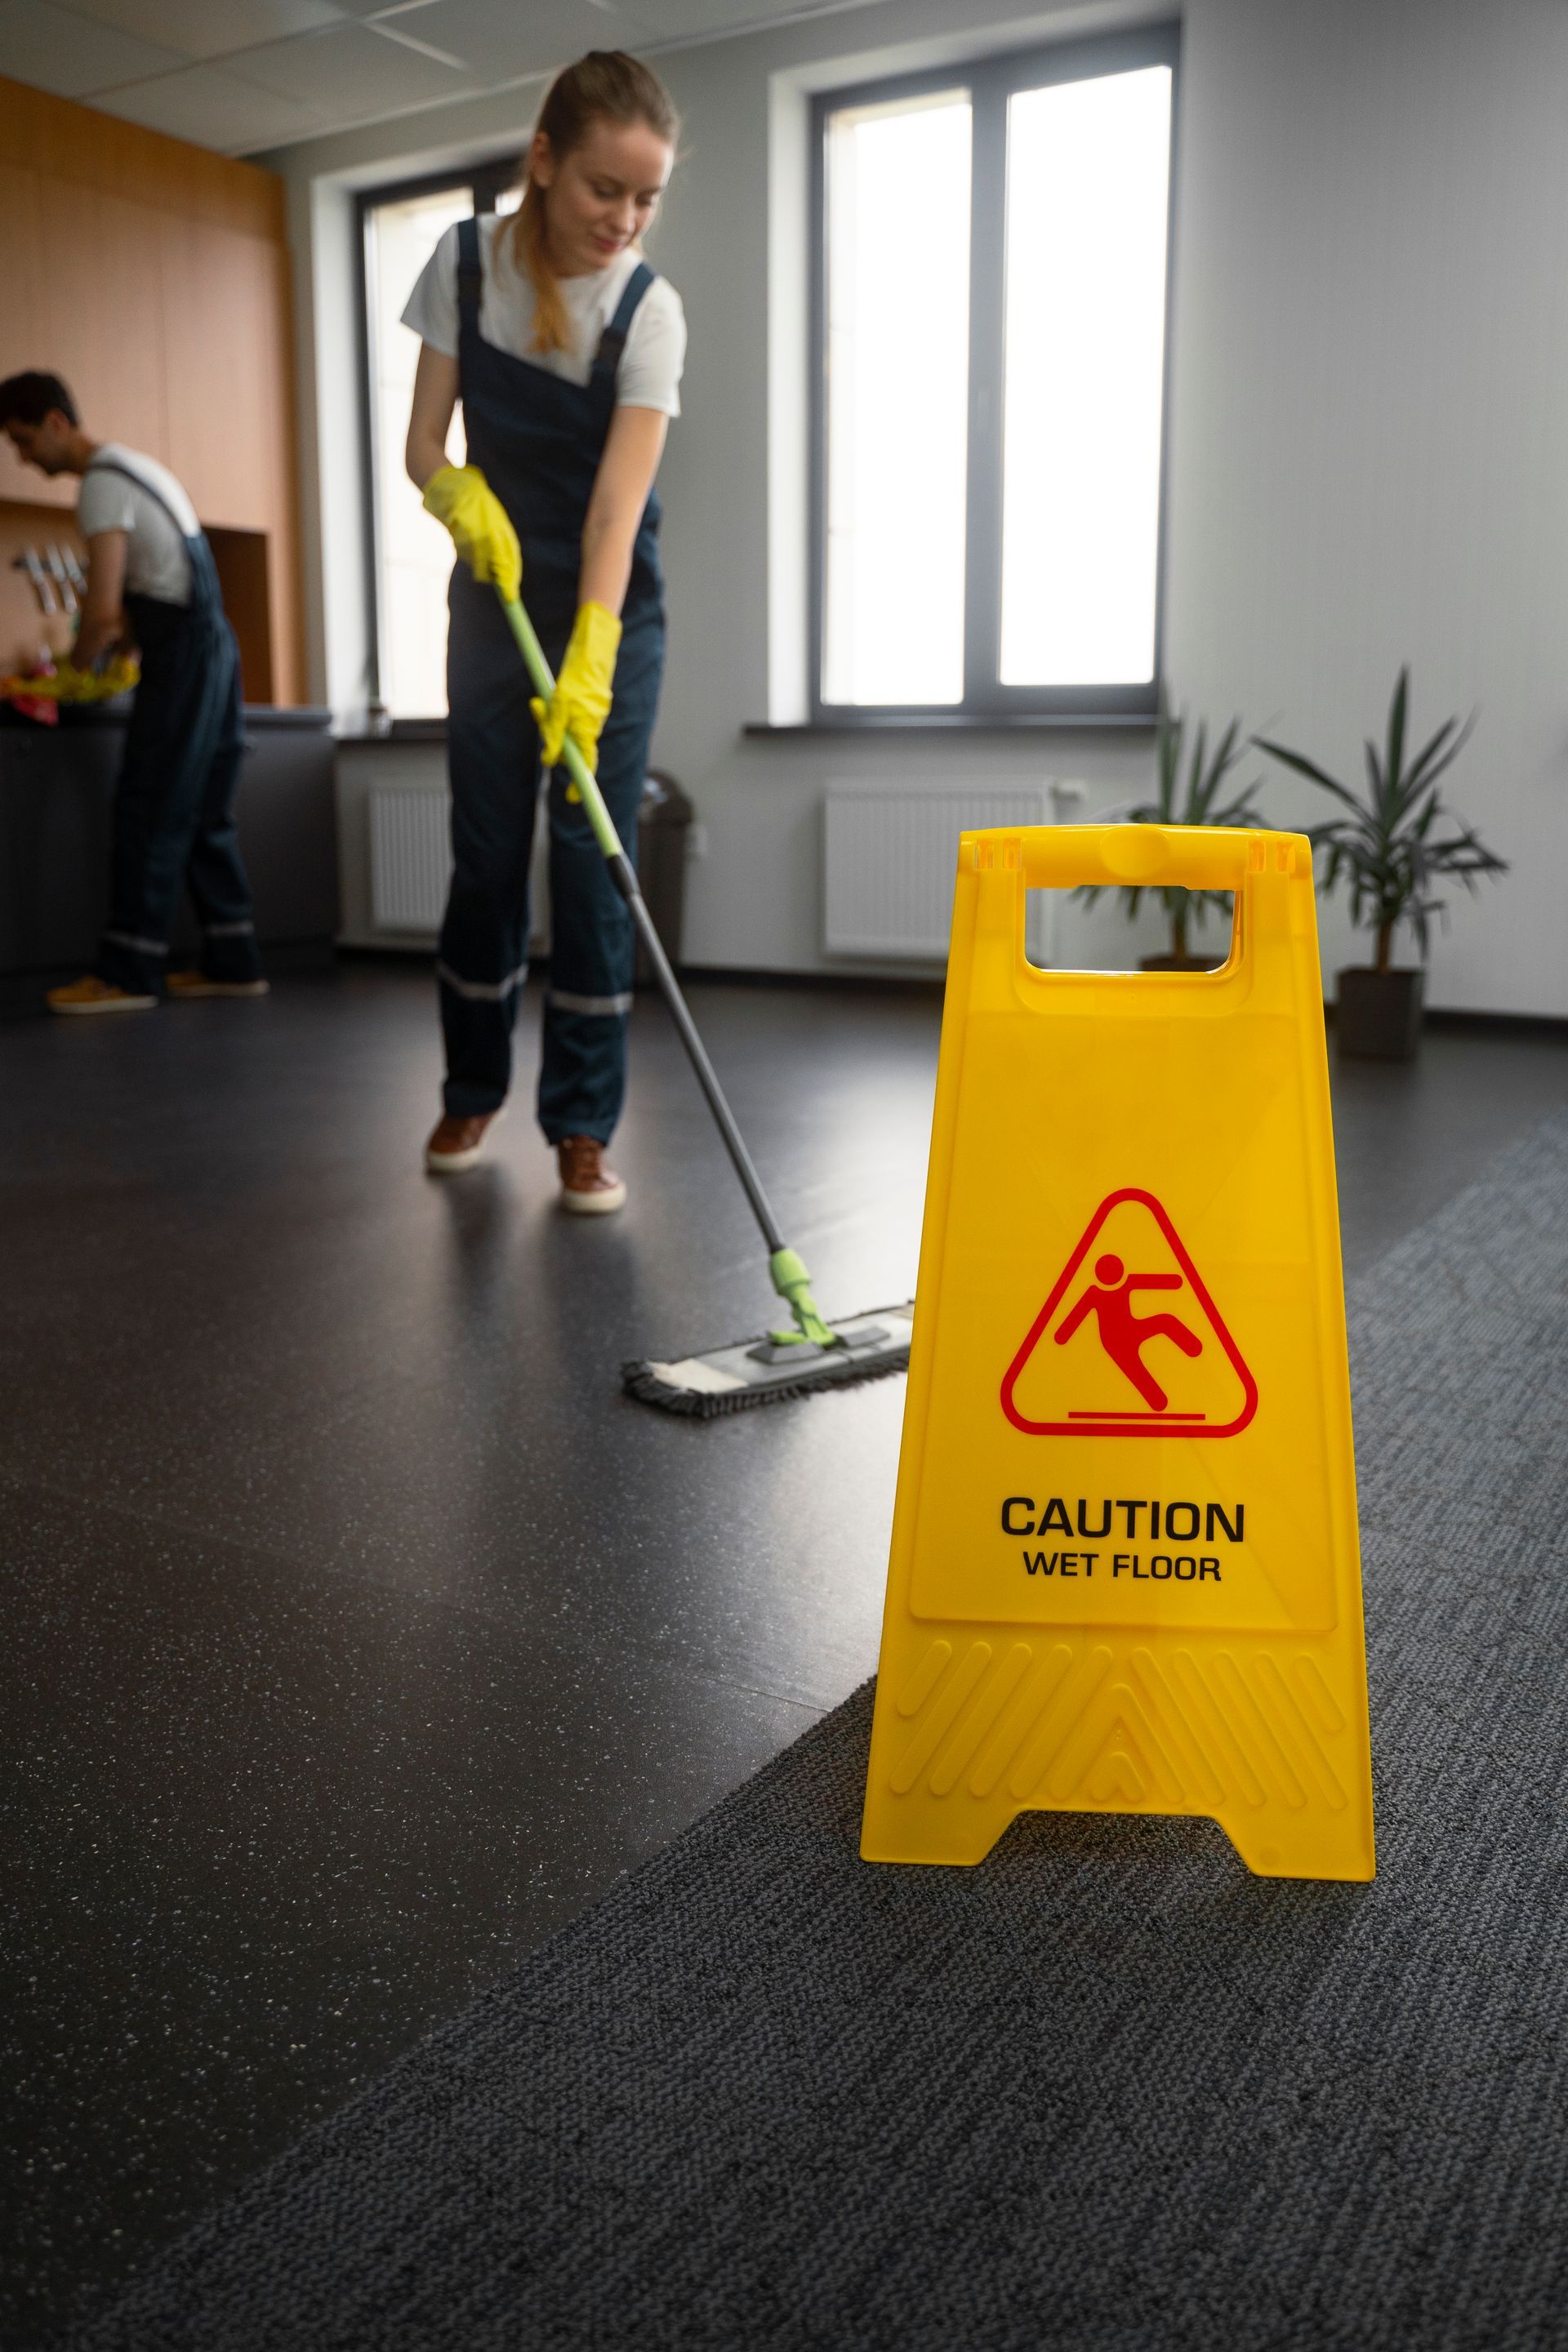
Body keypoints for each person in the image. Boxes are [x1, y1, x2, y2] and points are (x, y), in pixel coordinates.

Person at [403, 50, 685, 1210]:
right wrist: (454, 495)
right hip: (492, 597)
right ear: (543, 160)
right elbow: (424, 443)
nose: (623, 219)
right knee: (483, 850)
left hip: (609, 608)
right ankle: (473, 1084)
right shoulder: (463, 266)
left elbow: (617, 507)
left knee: (588, 856)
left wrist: (594, 655)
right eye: (601, 189)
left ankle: (580, 1123)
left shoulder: (650, 312)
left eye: (645, 197)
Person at [0, 372, 266, 1014]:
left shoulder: (99, 488)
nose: (23, 458)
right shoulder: (137, 468)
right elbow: (155, 594)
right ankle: (233, 961)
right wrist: (120, 652)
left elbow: (102, 608)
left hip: (185, 656)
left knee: (147, 805)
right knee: (204, 810)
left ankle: (128, 972)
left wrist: (72, 674)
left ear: (56, 424)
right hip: (215, 647)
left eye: (22, 439)